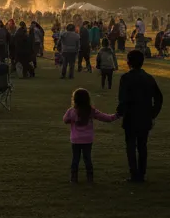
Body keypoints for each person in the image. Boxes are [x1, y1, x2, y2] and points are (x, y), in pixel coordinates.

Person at [116, 50, 163, 182]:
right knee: (142, 145)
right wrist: (153, 113)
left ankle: (134, 173)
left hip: (130, 116)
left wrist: (120, 112)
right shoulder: (149, 78)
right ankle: (141, 173)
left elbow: (123, 98)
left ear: (128, 62)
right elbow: (158, 98)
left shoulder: (125, 78)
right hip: (145, 116)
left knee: (130, 146)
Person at [63, 88, 118, 182]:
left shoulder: (71, 111)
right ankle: (90, 177)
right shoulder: (91, 111)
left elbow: (65, 120)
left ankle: (74, 178)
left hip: (75, 139)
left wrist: (72, 120)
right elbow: (106, 118)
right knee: (87, 158)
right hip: (87, 139)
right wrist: (117, 115)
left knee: (75, 158)